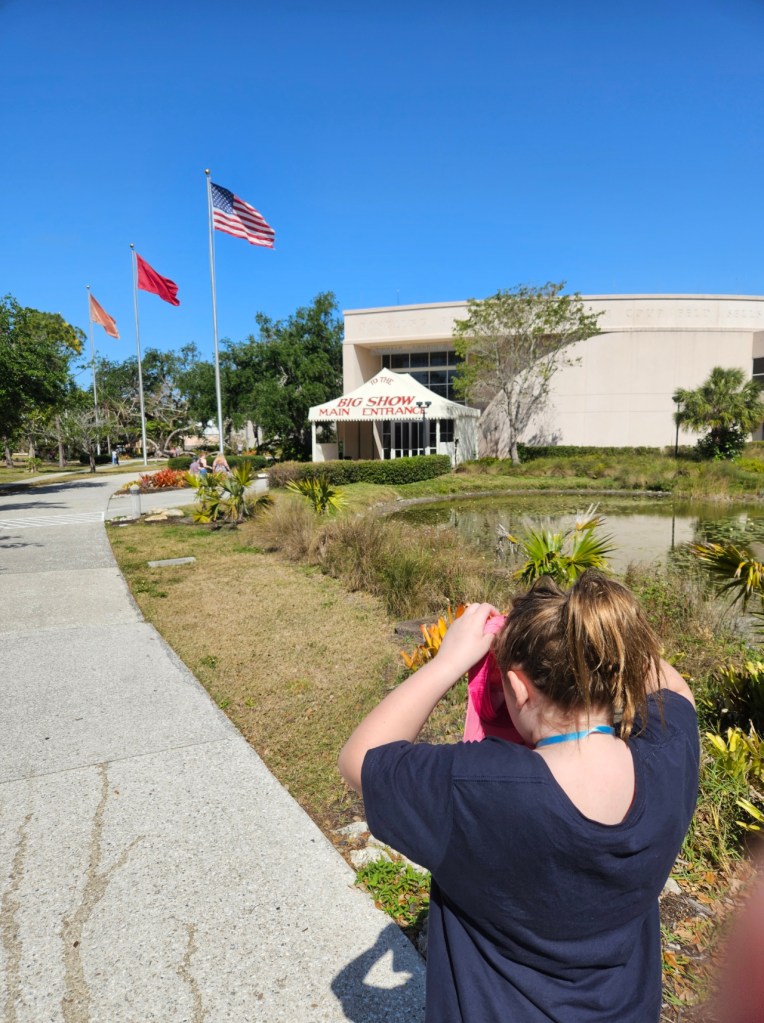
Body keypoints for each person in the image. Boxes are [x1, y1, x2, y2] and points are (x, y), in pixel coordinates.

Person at [339, 571, 699, 1023]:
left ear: (518, 688)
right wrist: (596, 634)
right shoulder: (670, 754)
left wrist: (447, 662)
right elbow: (674, 688)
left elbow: (359, 758)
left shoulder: (475, 789)